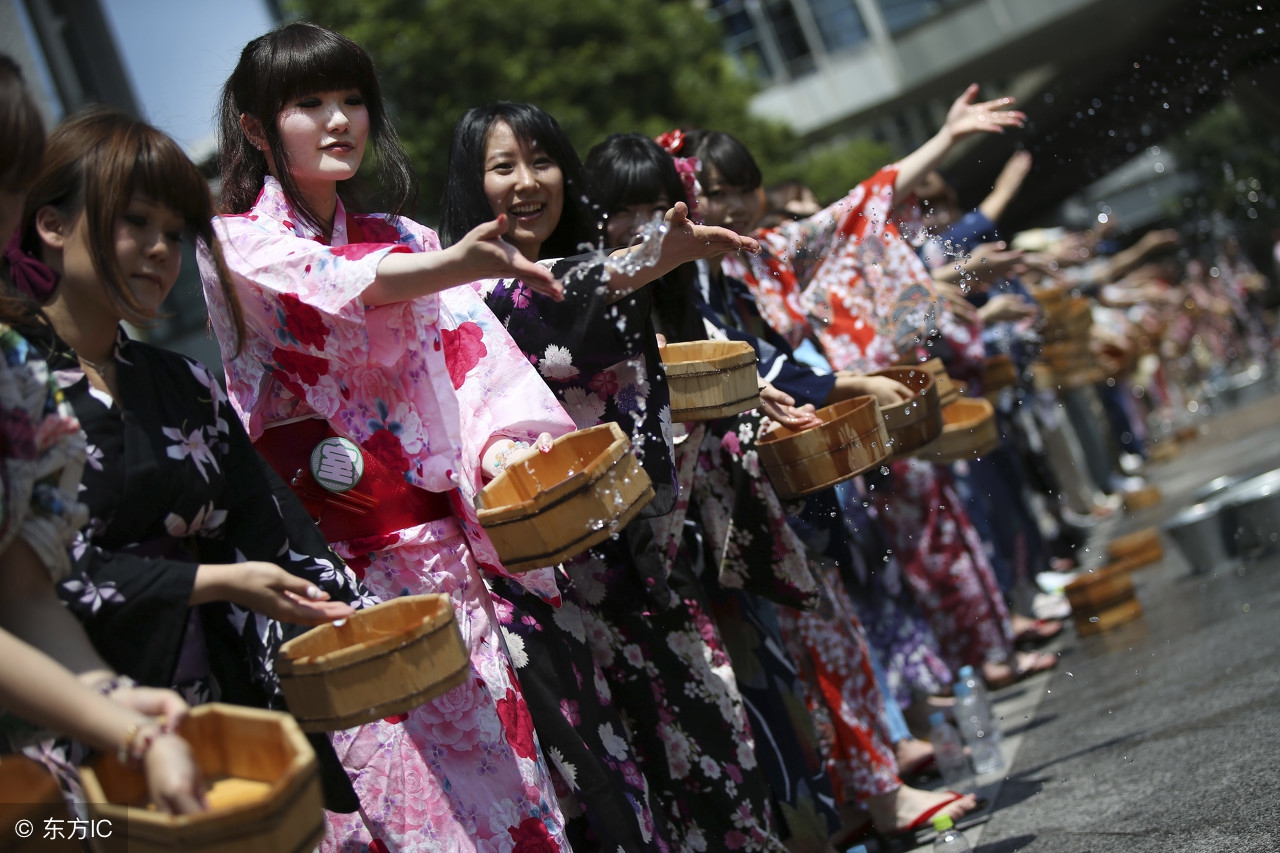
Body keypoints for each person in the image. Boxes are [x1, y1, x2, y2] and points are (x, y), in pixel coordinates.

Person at [204, 23, 578, 852]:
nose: (339, 119)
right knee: (405, 808)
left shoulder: (407, 236)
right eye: (310, 103)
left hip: (442, 554)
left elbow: (475, 363)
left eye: (352, 100)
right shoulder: (233, 245)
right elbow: (334, 281)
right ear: (257, 128)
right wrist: (452, 267)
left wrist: (506, 451)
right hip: (334, 572)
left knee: (510, 791)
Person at [586, 132, 984, 847]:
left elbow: (847, 213)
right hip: (673, 527)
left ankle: (858, 792)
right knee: (766, 671)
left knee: (806, 648)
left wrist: (948, 138)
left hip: (749, 494)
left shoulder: (727, 265)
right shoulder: (599, 291)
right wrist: (835, 383)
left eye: (741, 190)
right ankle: (856, 793)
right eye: (713, 193)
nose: (728, 207)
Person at [441, 102, 795, 852]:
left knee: (715, 739)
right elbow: (554, 290)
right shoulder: (457, 300)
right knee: (615, 788)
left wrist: (650, 267)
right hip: (544, 585)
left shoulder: (588, 270)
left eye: (543, 161)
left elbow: (584, 292)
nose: (528, 181)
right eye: (504, 167)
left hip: (642, 556)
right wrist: (647, 260)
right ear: (471, 185)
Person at [0, 54, 204, 814]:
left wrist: (118, 711)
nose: (160, 249)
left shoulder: (13, 373)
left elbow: (21, 591)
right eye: (135, 221)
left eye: (9, 180)